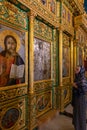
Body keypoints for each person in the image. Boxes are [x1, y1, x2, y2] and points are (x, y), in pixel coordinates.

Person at [72, 65, 87, 130]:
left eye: (77, 69)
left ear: (81, 71)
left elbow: (84, 90)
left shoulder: (82, 78)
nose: (75, 70)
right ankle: (77, 127)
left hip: (81, 99)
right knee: (76, 113)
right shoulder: (77, 78)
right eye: (75, 69)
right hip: (76, 98)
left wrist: (75, 86)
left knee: (80, 114)